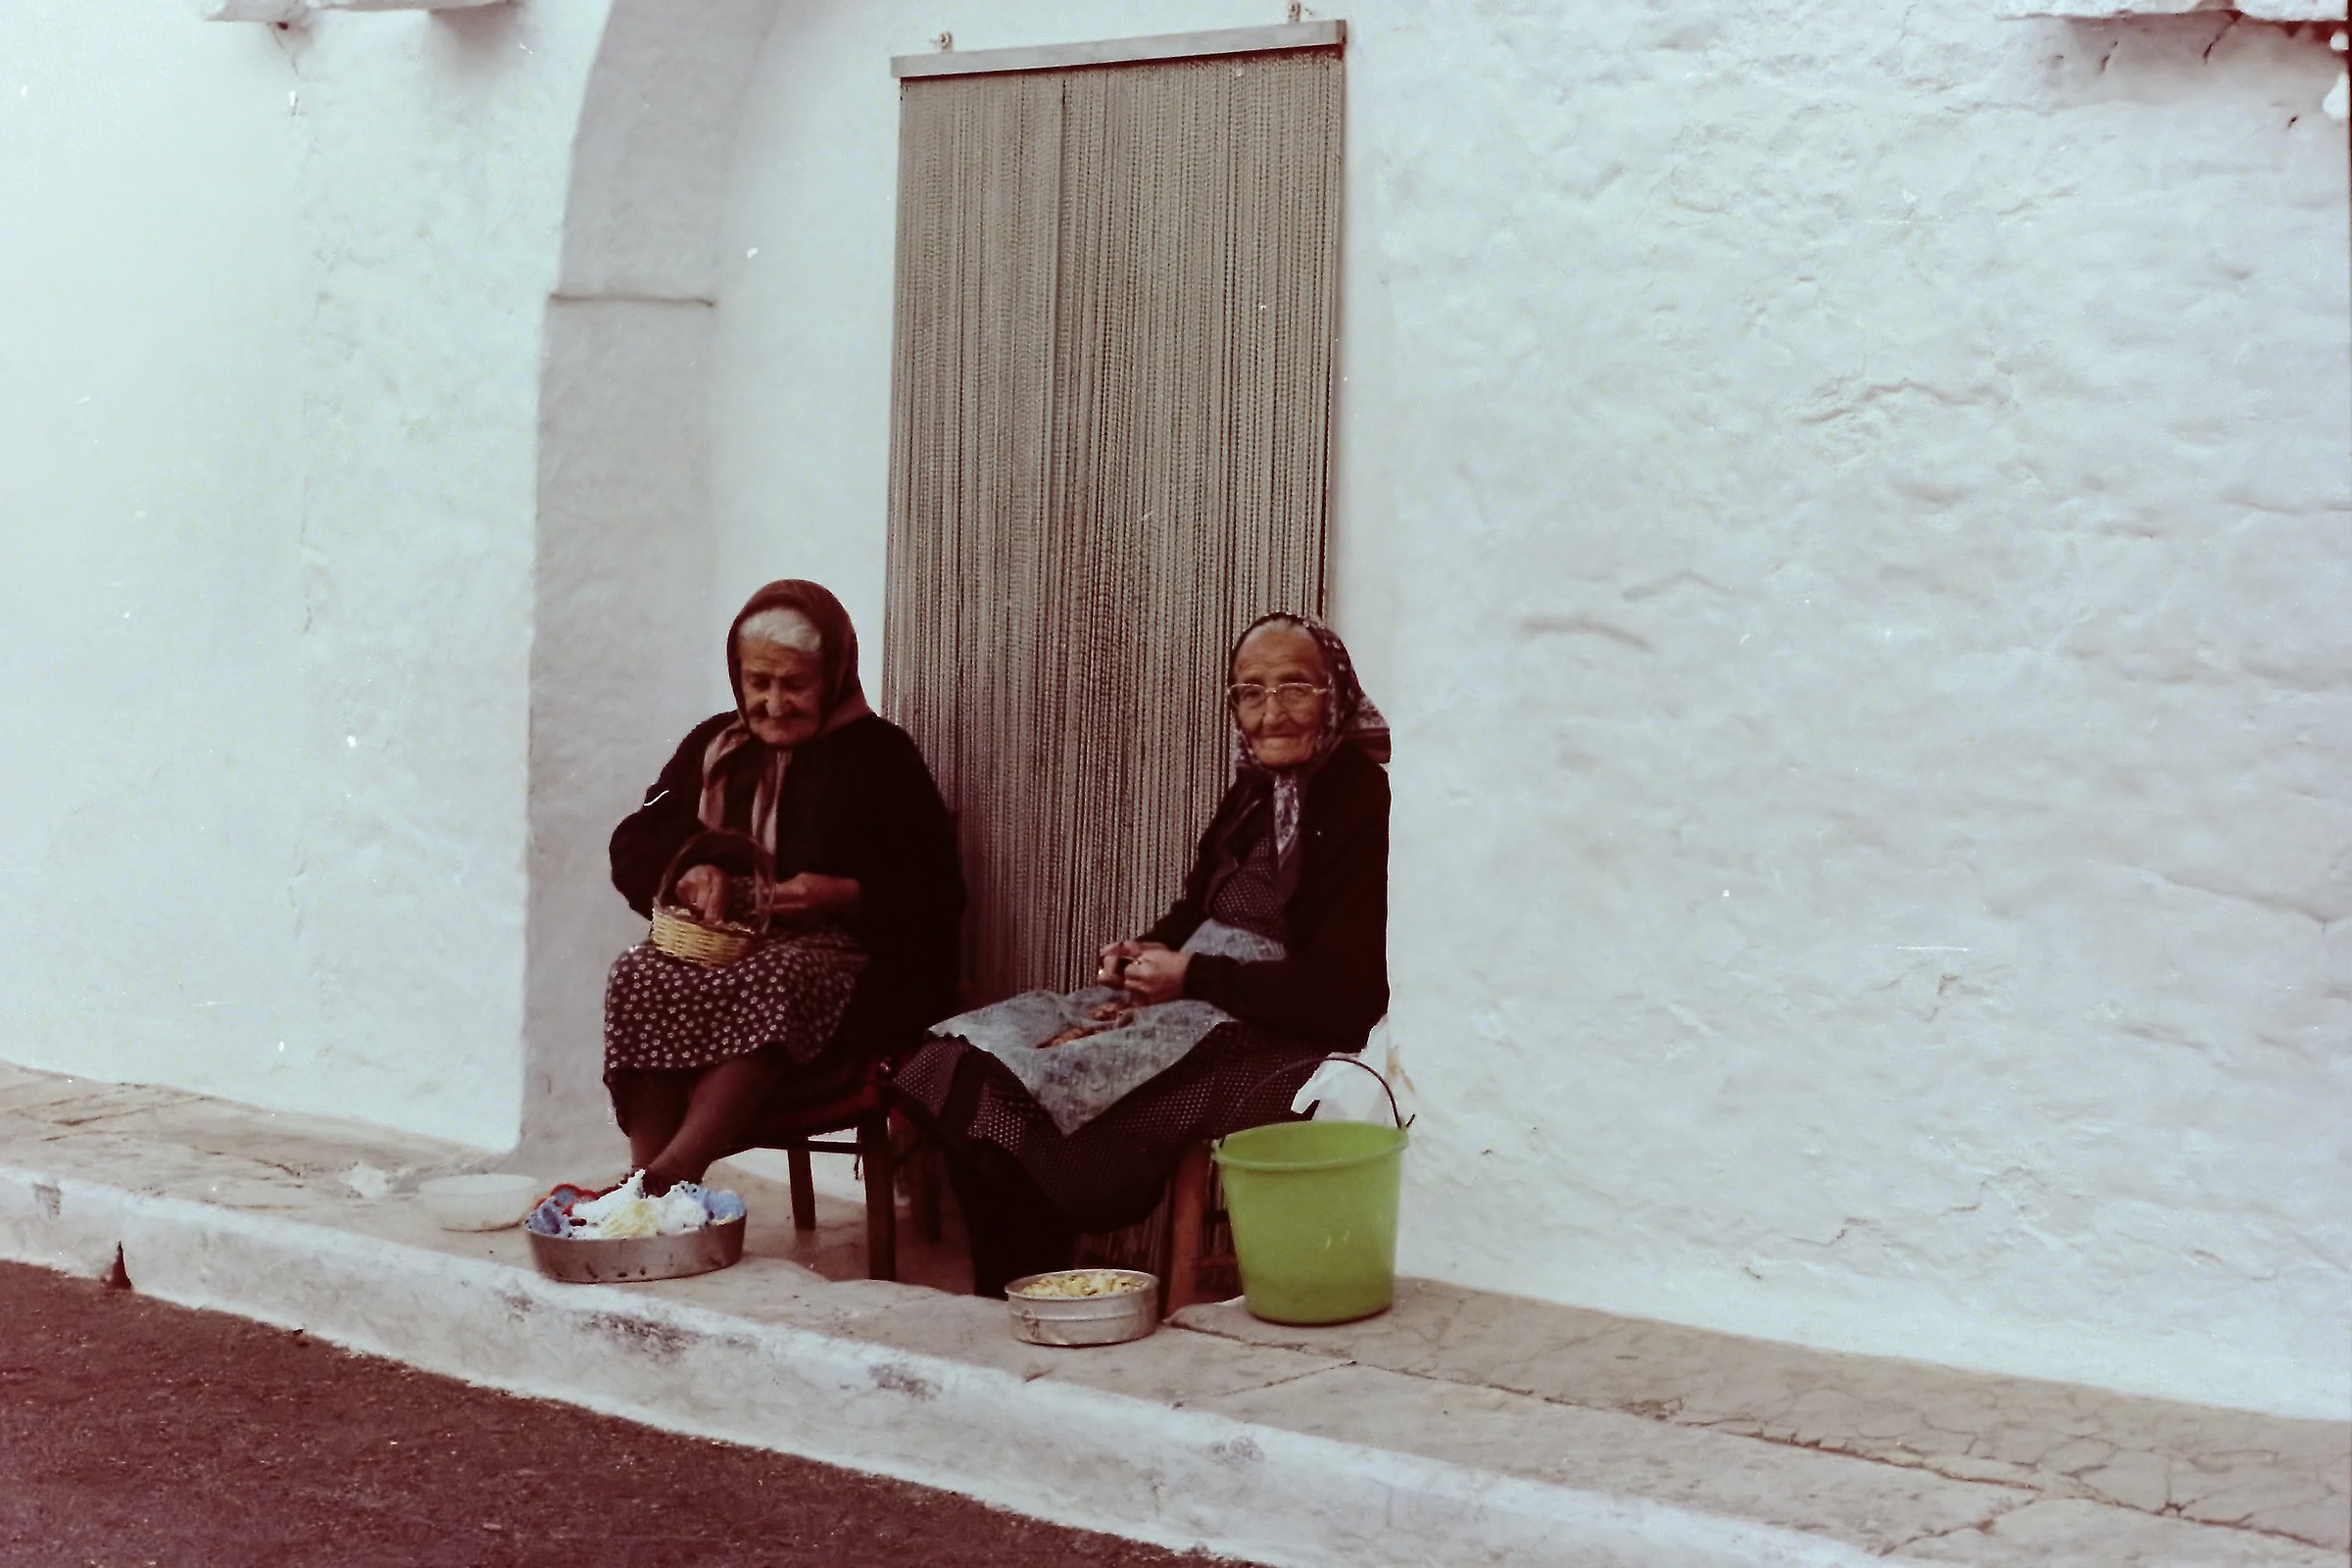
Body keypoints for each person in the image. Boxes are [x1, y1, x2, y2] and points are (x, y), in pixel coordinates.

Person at [895, 612, 1389, 1296]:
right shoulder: (1254, 793)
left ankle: (1037, 1291)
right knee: (957, 1064)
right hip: (1195, 1002)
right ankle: (1021, 1291)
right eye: (1250, 691)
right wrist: (1144, 951)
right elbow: (1196, 910)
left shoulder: (1362, 797)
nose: (1271, 714)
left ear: (1335, 695)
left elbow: (1345, 989)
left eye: (1295, 688)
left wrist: (1194, 975)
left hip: (1276, 1032)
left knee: (1041, 1109)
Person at [604, 580, 962, 1194]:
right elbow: (639, 837)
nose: (773, 703)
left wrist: (845, 894)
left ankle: (673, 1176)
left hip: (856, 966)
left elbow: (935, 888)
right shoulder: (714, 747)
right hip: (731, 945)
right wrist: (689, 871)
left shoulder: (881, 757)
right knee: (641, 972)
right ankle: (643, 1177)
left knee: (777, 975)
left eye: (795, 684)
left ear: (834, 675)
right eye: (758, 682)